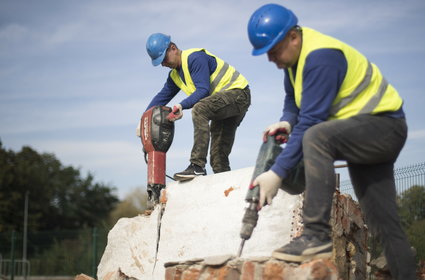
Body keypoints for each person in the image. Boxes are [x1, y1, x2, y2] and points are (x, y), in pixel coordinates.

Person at [247, 4, 416, 279]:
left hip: (384, 128)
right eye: (267, 53)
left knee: (315, 136)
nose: (271, 59)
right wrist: (287, 121)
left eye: (274, 51)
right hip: (362, 136)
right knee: (384, 223)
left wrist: (277, 173)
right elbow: (293, 102)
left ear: (294, 36)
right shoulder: (293, 63)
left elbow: (312, 123)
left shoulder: (321, 57)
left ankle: (315, 234)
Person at [144, 33, 251, 181]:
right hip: (221, 104)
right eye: (160, 62)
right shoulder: (175, 76)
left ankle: (197, 166)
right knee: (218, 158)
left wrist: (181, 105)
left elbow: (203, 90)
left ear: (173, 48)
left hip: (238, 95)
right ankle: (229, 193)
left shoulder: (194, 58)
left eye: (164, 59)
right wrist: (144, 121)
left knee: (199, 109)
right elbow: (161, 98)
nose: (163, 64)